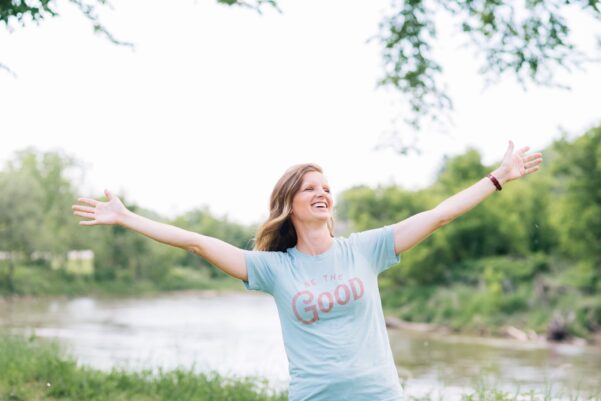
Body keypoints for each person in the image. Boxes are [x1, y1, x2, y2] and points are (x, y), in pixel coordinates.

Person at [72, 140, 543, 401]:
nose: (321, 193)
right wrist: (127, 218)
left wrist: (497, 177)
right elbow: (197, 242)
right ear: (290, 204)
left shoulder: (368, 249)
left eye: (326, 186)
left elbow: (439, 214)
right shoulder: (275, 269)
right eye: (309, 188)